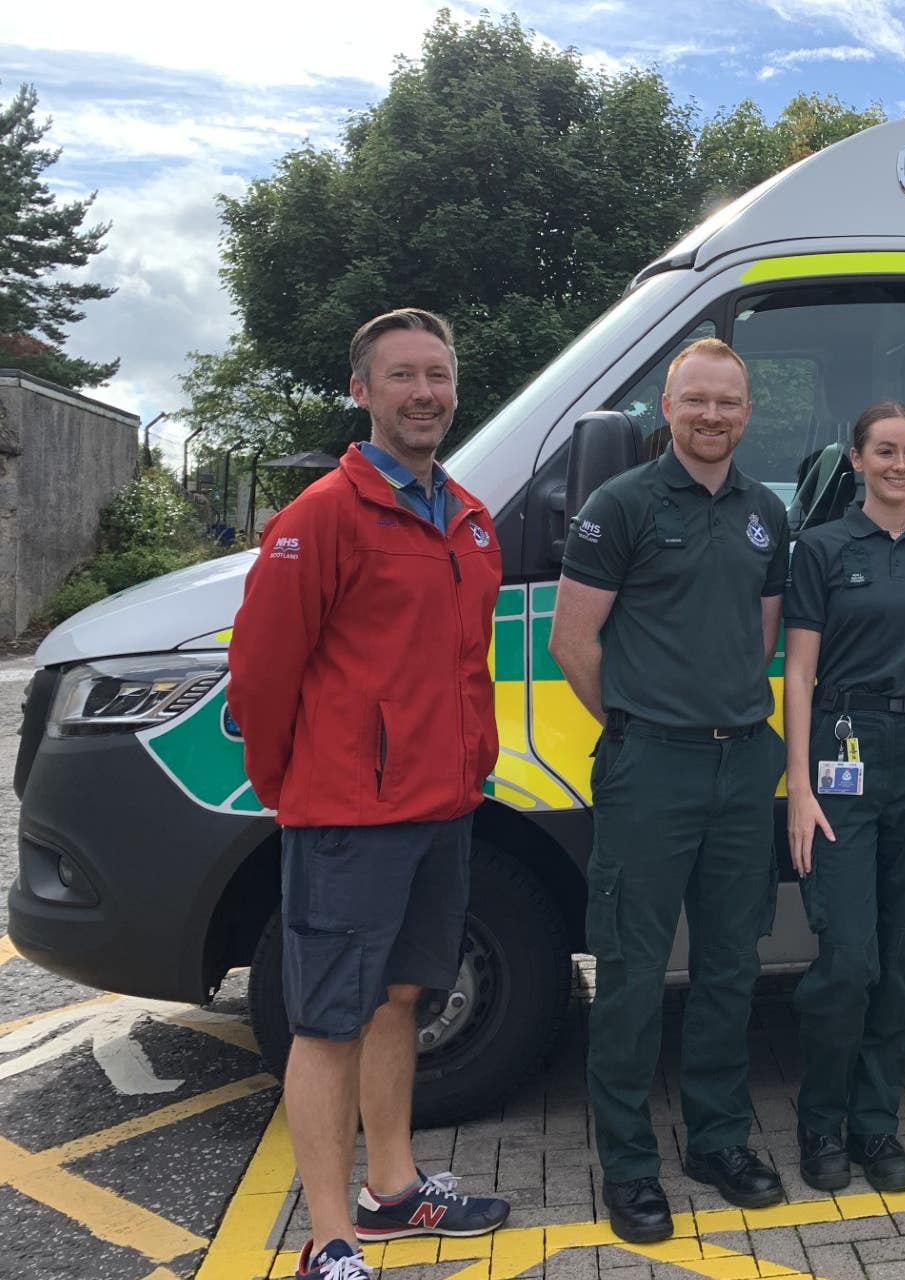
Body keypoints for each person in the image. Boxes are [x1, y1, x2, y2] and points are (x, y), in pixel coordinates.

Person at [228, 308, 508, 1280]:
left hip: (443, 809)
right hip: (349, 816)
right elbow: (261, 678)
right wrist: (296, 786)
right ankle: (329, 1237)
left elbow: (468, 667)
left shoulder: (468, 517)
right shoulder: (320, 519)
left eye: (438, 372)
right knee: (328, 1019)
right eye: (402, 376)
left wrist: (473, 765)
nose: (425, 391)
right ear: (362, 391)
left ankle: (395, 1193)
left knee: (402, 1000)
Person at [549, 337, 791, 1243]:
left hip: (742, 765)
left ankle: (719, 1141)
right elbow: (574, 643)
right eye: (695, 400)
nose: (712, 415)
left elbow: (759, 636)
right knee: (633, 973)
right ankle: (630, 1163)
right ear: (667, 405)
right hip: (651, 767)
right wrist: (640, 723)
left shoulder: (767, 513)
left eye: (727, 401)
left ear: (748, 411)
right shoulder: (623, 505)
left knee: (731, 965)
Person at [785, 400, 905, 1194]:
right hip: (842, 750)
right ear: (855, 460)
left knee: (902, 958)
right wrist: (798, 785)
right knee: (848, 958)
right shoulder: (820, 549)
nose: (899, 464)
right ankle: (821, 1123)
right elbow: (796, 673)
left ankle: (875, 1125)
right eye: (884, 451)